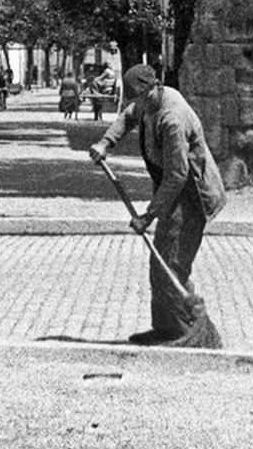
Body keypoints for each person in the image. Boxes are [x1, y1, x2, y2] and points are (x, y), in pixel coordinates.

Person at [87, 65, 227, 344]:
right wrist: (106, 142)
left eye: (142, 97)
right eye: (135, 98)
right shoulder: (146, 102)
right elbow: (128, 116)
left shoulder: (172, 118)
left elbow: (177, 175)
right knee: (160, 261)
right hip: (174, 191)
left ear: (156, 86)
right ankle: (166, 327)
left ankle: (186, 332)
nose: (139, 104)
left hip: (191, 196)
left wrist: (147, 216)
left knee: (171, 263)